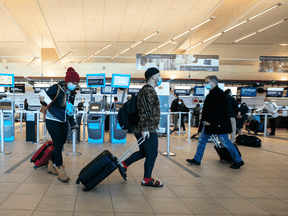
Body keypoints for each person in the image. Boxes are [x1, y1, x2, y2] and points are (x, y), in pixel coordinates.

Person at [186, 75, 244, 169]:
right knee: (202, 141)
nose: (205, 84)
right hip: (209, 123)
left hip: (218, 124)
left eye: (207, 82)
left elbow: (219, 109)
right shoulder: (211, 93)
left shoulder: (220, 94)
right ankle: (197, 159)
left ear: (214, 82)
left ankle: (238, 160)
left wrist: (210, 120)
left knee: (225, 142)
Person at [118, 67, 163, 187]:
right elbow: (144, 111)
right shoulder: (148, 90)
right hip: (145, 127)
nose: (159, 78)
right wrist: (146, 128)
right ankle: (147, 179)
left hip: (145, 126)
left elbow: (149, 110)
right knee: (152, 153)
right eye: (158, 75)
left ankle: (124, 164)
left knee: (144, 152)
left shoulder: (147, 90)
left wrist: (154, 123)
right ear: (153, 76)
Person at [39, 67, 80, 182]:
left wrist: (72, 123)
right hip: (52, 119)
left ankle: (50, 166)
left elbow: (70, 109)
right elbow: (43, 97)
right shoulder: (56, 88)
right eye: (73, 82)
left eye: (76, 83)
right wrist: (44, 101)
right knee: (58, 144)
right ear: (67, 81)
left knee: (60, 144)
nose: (74, 85)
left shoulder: (72, 93)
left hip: (63, 120)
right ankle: (61, 171)